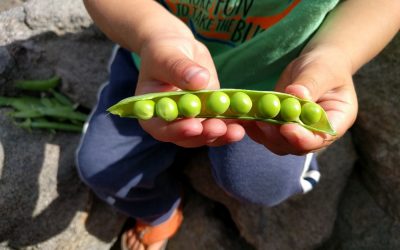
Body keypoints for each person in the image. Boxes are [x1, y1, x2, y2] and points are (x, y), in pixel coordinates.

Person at [76, 0, 400, 249]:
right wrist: (150, 32)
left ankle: (308, 159)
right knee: (100, 168)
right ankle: (159, 210)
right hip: (158, 65)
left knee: (262, 182)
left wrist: (335, 55)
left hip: (280, 84)